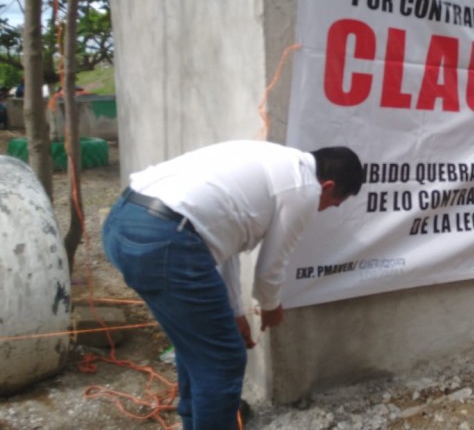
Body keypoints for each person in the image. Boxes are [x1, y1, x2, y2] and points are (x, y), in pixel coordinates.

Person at [102, 140, 364, 429]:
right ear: (326, 186)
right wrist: (270, 307)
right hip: (167, 240)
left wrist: (236, 311)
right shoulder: (304, 190)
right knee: (224, 359)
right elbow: (271, 267)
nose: (325, 209)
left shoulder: (278, 159)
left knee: (197, 345)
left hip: (125, 222)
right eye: (333, 204)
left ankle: (197, 420)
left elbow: (224, 244)